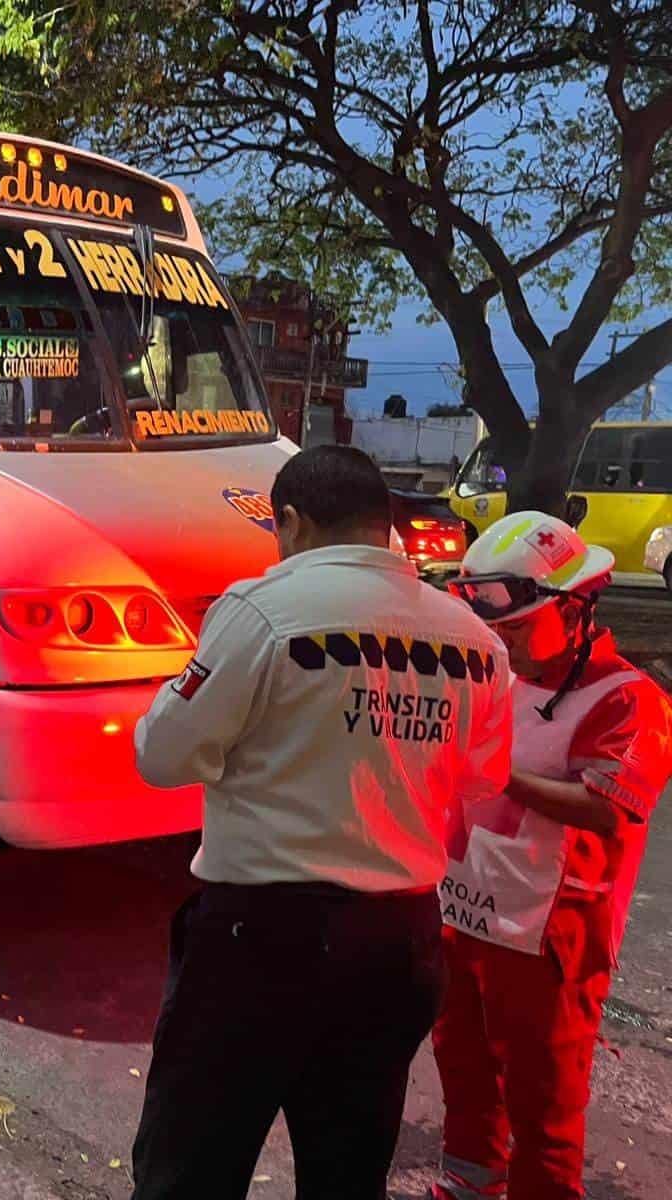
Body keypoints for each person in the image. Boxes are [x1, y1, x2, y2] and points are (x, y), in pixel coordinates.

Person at [127, 445, 513, 1199]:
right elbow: (480, 779)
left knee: (190, 1167)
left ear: (294, 523)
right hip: (399, 945)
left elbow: (164, 755)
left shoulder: (262, 611)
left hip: (259, 941)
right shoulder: (477, 642)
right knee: (347, 1170)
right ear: (386, 523)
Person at [433, 512, 672, 1200]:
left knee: (545, 1098)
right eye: (491, 631)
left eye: (514, 628)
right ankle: (468, 1184)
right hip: (465, 911)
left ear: (575, 607)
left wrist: (496, 771)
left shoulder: (630, 699)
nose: (500, 644)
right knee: (463, 1068)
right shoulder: (492, 676)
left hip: (554, 936)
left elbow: (609, 807)